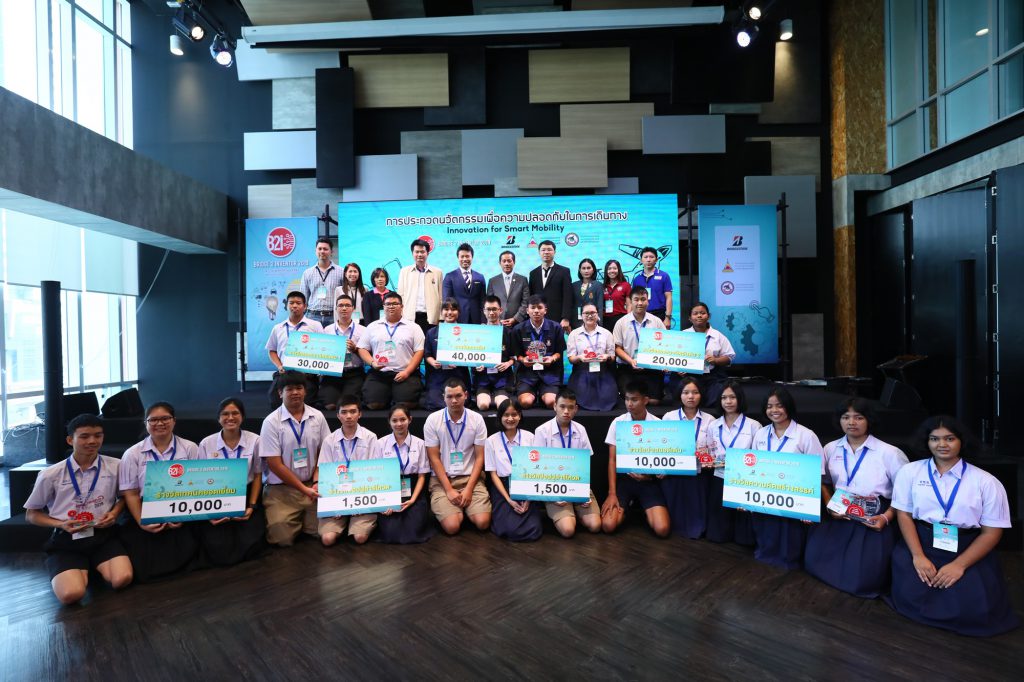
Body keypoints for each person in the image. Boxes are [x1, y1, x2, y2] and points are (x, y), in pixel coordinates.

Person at [887, 415, 1018, 636]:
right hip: (922, 540)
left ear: (961, 441)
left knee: (973, 609)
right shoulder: (910, 472)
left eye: (949, 438)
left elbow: (991, 533)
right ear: (926, 442)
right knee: (911, 593)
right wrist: (918, 556)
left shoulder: (986, 482)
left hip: (966, 546)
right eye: (934, 439)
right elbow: (904, 515)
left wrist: (959, 565)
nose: (942, 444)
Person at [803, 398, 908, 598]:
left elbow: (905, 494)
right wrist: (829, 504)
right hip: (839, 509)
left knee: (862, 578)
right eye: (846, 417)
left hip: (874, 513)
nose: (851, 422)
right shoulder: (830, 448)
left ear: (869, 420)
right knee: (814, 559)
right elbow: (823, 481)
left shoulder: (890, 453)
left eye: (858, 417)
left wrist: (886, 517)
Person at [24, 414, 132, 604]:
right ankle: (73, 568)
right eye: (84, 436)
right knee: (71, 595)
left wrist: (114, 513)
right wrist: (61, 524)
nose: (92, 441)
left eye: (98, 435)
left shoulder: (116, 466)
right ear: (70, 440)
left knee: (122, 579)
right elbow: (32, 514)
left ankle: (90, 567)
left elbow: (123, 497)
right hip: (67, 540)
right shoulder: (50, 474)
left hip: (103, 536)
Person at [117, 402, 200, 583]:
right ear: (145, 423)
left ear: (174, 421)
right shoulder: (132, 454)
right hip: (145, 508)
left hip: (181, 506)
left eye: (165, 418)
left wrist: (184, 515)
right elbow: (131, 493)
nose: (160, 423)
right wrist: (142, 521)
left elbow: (196, 486)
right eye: (153, 420)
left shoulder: (190, 448)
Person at [749, 387, 824, 570]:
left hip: (794, 497)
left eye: (779, 405)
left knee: (789, 536)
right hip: (765, 495)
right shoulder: (760, 434)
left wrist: (809, 506)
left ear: (788, 407)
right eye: (769, 406)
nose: (774, 410)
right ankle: (766, 554)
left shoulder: (806, 435)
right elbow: (752, 466)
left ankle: (789, 561)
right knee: (766, 530)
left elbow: (816, 473)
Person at [258, 372, 332, 547]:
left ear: (305, 391)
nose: (295, 392)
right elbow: (274, 464)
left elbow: (324, 452)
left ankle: (304, 520)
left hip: (313, 486)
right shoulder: (271, 422)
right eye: (289, 389)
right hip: (282, 490)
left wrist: (316, 481)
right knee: (281, 539)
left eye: (299, 388)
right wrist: (303, 489)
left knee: (327, 533)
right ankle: (299, 521)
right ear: (280, 393)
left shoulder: (317, 416)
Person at [195, 398, 266, 566]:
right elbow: (200, 480)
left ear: (242, 416)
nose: (230, 418)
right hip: (216, 495)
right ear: (218, 418)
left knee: (252, 541)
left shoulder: (255, 440)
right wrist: (208, 512)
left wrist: (252, 506)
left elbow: (258, 475)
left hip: (247, 494)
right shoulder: (206, 443)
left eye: (235, 413)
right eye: (225, 414)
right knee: (217, 544)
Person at [600, 382, 671, 538]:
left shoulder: (658, 424)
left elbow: (663, 459)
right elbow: (612, 460)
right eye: (627, 399)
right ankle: (626, 509)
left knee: (662, 529)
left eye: (634, 399)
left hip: (648, 481)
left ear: (645, 400)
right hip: (625, 480)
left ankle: (644, 510)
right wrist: (611, 493)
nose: (629, 404)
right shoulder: (618, 423)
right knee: (608, 526)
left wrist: (652, 475)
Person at [424, 378, 491, 535]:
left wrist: (468, 489)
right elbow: (434, 458)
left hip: (470, 479)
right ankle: (458, 511)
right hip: (442, 481)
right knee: (452, 527)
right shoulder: (433, 420)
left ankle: (465, 508)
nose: (454, 400)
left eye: (458, 396)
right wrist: (449, 490)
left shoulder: (477, 419)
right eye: (449, 396)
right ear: (444, 397)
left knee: (483, 523)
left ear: (466, 395)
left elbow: (480, 458)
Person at [533, 389, 602, 537]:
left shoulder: (580, 430)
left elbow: (585, 465)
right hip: (553, 487)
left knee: (595, 525)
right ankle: (567, 515)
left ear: (576, 409)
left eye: (570, 407)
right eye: (562, 406)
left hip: (577, 484)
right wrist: (552, 496)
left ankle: (576, 511)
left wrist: (584, 492)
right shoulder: (542, 431)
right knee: (568, 530)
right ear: (554, 406)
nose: (566, 411)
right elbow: (537, 468)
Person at [314, 396, 380, 546]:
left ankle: (360, 523)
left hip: (362, 495)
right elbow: (326, 475)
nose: (348, 416)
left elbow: (374, 473)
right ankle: (343, 523)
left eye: (353, 411)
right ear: (338, 415)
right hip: (337, 496)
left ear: (360, 414)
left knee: (359, 538)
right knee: (327, 539)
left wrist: (359, 504)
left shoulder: (370, 437)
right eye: (344, 412)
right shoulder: (329, 440)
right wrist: (335, 505)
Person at [660, 376, 715, 540]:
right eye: (686, 392)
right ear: (680, 394)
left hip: (698, 473)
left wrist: (707, 459)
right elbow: (661, 446)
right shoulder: (669, 417)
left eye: (695, 392)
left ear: (701, 395)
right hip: (674, 472)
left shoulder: (710, 420)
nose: (691, 396)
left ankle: (696, 528)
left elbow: (712, 449)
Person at [706, 380, 760, 544]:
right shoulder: (713, 425)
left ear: (740, 399)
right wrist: (708, 461)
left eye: (732, 397)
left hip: (744, 480)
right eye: (724, 398)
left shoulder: (753, 426)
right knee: (717, 535)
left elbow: (758, 458)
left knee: (744, 539)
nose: (728, 402)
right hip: (719, 477)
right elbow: (709, 451)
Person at [374, 405, 435, 544]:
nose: (399, 424)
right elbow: (377, 476)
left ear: (410, 420)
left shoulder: (420, 444)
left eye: (403, 419)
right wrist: (384, 501)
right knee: (391, 533)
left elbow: (421, 477)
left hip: (414, 491)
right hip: (388, 489)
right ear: (389, 422)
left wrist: (413, 500)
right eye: (394, 420)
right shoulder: (380, 444)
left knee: (413, 532)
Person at [484, 400, 543, 542]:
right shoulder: (491, 441)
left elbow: (537, 469)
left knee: (534, 528)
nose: (510, 418)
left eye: (514, 414)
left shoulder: (530, 437)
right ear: (500, 417)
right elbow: (493, 474)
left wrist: (528, 498)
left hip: (526, 485)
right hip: (503, 487)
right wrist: (509, 500)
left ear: (520, 416)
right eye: (506, 415)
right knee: (508, 529)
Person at [356, 292, 425, 411]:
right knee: (373, 405)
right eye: (388, 304)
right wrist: (372, 363)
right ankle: (387, 395)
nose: (391, 306)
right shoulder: (373, 326)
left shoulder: (414, 327)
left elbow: (419, 351)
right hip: (379, 373)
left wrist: (407, 372)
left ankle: (396, 395)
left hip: (405, 373)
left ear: (402, 306)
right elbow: (362, 348)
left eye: (395, 304)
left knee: (406, 404)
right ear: (383, 307)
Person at [264, 290, 322, 409]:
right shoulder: (278, 328)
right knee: (275, 401)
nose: (294, 306)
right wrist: (279, 366)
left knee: (307, 403)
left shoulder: (315, 325)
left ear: (305, 306)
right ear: (286, 305)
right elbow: (272, 350)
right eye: (291, 303)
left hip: (306, 374)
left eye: (298, 303)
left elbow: (323, 349)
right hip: (284, 373)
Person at [612, 286, 666, 404]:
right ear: (630, 302)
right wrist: (631, 361)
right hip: (628, 367)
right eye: (636, 299)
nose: (640, 303)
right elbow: (617, 348)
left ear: (648, 301)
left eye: (643, 299)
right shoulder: (621, 323)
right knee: (629, 399)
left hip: (651, 368)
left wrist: (665, 362)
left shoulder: (656, 322)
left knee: (654, 401)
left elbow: (665, 345)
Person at [511, 295, 566, 409]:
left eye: (540, 307)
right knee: (525, 402)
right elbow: (517, 355)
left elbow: (559, 352)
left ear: (545, 310)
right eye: (533, 307)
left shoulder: (556, 327)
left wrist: (552, 358)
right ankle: (533, 394)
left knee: (551, 402)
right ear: (527, 310)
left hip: (549, 373)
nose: (536, 311)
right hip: (527, 374)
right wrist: (523, 360)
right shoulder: (518, 329)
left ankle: (543, 395)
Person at [681, 301, 735, 406]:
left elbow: (730, 356)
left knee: (716, 396)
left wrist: (716, 360)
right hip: (689, 375)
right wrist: (679, 369)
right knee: (679, 390)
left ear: (708, 316)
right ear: (690, 318)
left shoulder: (718, 336)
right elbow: (673, 356)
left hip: (712, 375)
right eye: (695, 313)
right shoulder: (683, 335)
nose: (699, 316)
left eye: (702, 313)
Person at [566, 303, 617, 411]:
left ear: (597, 314)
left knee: (608, 401)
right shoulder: (574, 334)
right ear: (581, 315)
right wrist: (580, 357)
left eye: (593, 313)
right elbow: (571, 359)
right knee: (580, 401)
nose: (590, 316)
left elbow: (612, 357)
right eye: (586, 313)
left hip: (602, 373)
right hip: (581, 373)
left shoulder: (606, 333)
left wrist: (607, 356)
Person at [319, 294, 366, 410]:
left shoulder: (363, 330)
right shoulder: (327, 330)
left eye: (347, 305)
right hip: (332, 374)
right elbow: (321, 353)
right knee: (330, 405)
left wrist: (355, 349)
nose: (344, 308)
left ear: (353, 308)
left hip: (354, 373)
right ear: (336, 308)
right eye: (340, 305)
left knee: (348, 404)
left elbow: (368, 356)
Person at [423, 298, 472, 411]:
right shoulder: (432, 332)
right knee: (436, 403)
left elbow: (473, 353)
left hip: (459, 374)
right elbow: (427, 354)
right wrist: (433, 362)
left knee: (462, 402)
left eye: (453, 309)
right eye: (446, 309)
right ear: (441, 312)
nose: (449, 312)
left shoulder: (467, 331)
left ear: (459, 312)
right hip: (439, 374)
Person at [472, 295, 515, 411]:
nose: (491, 313)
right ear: (484, 311)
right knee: (483, 405)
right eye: (488, 309)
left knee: (502, 406)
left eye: (494, 309)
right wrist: (476, 365)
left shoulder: (508, 332)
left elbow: (514, 357)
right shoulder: (477, 332)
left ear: (500, 310)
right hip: (483, 378)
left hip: (502, 378)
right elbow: (470, 357)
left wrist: (508, 363)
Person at [396, 238, 443, 336]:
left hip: (431, 318)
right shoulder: (404, 271)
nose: (420, 254)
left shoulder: (437, 272)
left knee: (429, 344)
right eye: (417, 252)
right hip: (410, 318)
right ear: (412, 253)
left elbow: (441, 297)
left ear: (428, 253)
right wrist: (400, 316)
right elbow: (400, 296)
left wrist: (441, 318)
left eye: (422, 252)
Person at [527, 240, 573, 333]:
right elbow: (531, 297)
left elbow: (568, 296)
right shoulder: (533, 273)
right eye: (543, 250)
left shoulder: (564, 271)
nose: (546, 252)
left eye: (549, 249)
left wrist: (566, 318)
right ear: (539, 252)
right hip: (537, 318)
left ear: (554, 252)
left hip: (557, 319)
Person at [300, 237, 345, 327]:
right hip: (312, 316)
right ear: (315, 251)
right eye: (319, 249)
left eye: (325, 249)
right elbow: (303, 298)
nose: (322, 251)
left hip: (333, 316)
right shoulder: (307, 273)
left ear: (332, 252)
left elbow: (345, 295)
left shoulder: (341, 271)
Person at [441, 242, 486, 324]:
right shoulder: (449, 276)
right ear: (458, 258)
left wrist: (483, 320)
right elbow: (446, 300)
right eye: (462, 256)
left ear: (472, 257)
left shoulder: (480, 277)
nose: (465, 259)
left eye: (467, 256)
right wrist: (449, 319)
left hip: (476, 319)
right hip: (457, 319)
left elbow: (483, 301)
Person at [631, 246, 673, 328]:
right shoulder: (637, 279)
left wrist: (668, 318)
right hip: (641, 315)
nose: (648, 260)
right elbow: (633, 299)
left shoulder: (664, 276)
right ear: (641, 260)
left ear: (656, 260)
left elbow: (669, 297)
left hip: (660, 314)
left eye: (651, 257)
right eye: (645, 257)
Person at [486, 250, 530, 327]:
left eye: (509, 261)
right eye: (504, 261)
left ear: (514, 262)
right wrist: (496, 319)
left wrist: (515, 318)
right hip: (497, 323)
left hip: (518, 323)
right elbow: (489, 303)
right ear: (500, 263)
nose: (506, 264)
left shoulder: (522, 280)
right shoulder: (493, 281)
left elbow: (525, 302)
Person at [572, 258, 603, 328]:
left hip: (592, 322)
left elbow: (600, 306)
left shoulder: (598, 285)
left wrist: (599, 323)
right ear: (580, 270)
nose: (586, 271)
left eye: (588, 268)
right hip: (575, 323)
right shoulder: (573, 285)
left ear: (593, 270)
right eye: (583, 268)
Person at [602, 259, 631, 332]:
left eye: (614, 268)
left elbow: (629, 305)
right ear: (606, 271)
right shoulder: (602, 286)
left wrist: (629, 319)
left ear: (619, 270)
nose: (612, 271)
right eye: (609, 269)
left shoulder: (626, 285)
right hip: (606, 319)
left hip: (620, 318)